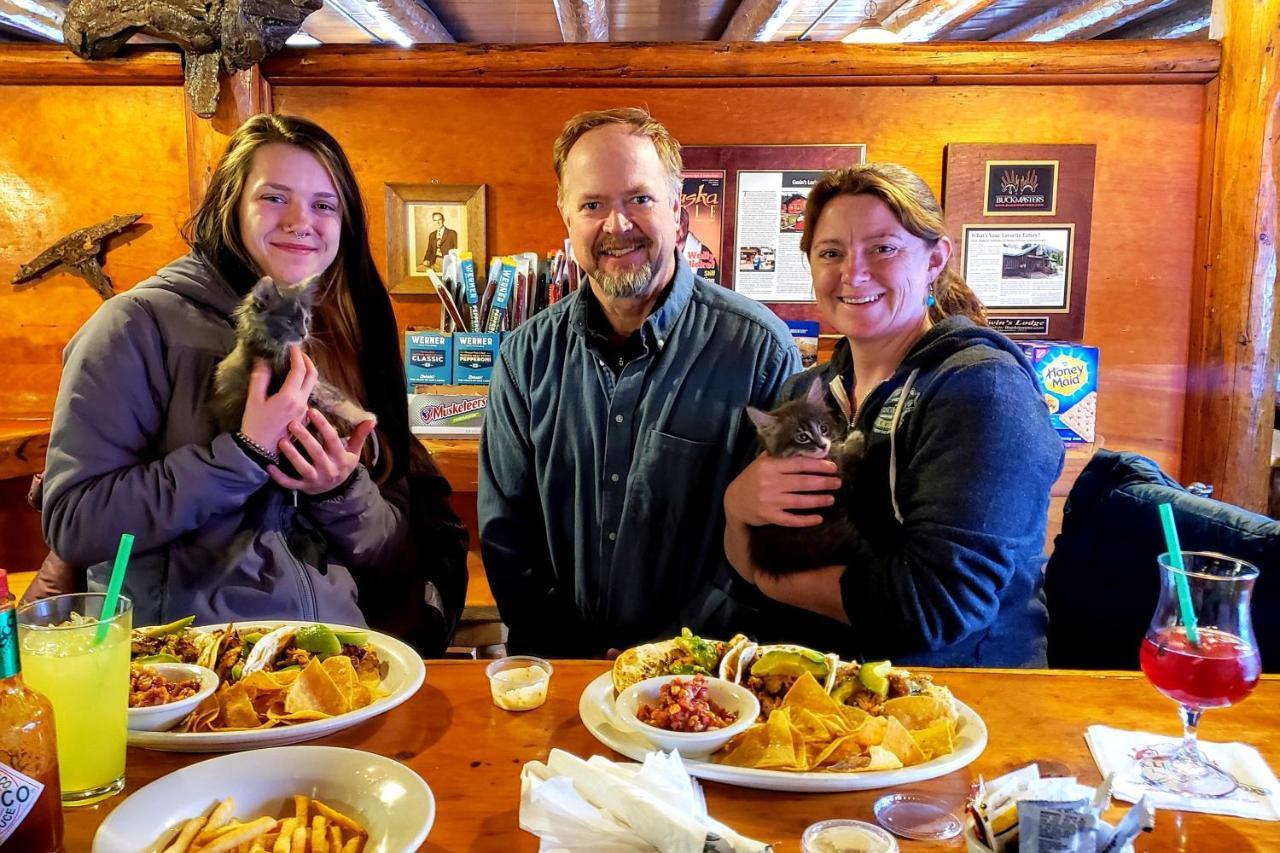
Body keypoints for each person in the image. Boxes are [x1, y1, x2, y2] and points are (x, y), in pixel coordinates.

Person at [41, 113, 467, 638]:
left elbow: (389, 552)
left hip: (335, 659)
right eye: (274, 197)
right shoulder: (136, 325)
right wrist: (242, 454)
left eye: (324, 204)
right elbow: (76, 523)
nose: (299, 220)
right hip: (182, 671)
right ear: (231, 207)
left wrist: (338, 490)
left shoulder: (345, 336)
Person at [479, 108, 800, 658]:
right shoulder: (524, 356)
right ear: (567, 220)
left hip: (703, 680)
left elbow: (774, 538)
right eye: (592, 204)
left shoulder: (759, 351)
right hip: (562, 669)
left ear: (678, 213)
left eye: (639, 199)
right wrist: (566, 651)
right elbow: (507, 531)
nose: (616, 224)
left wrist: (672, 654)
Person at [723, 163, 1063, 667]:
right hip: (813, 698)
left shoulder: (983, 391)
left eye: (883, 248)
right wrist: (736, 507)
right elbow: (739, 559)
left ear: (935, 259)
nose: (853, 273)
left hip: (958, 710)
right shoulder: (807, 392)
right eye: (830, 253)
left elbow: (933, 609)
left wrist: (767, 577)